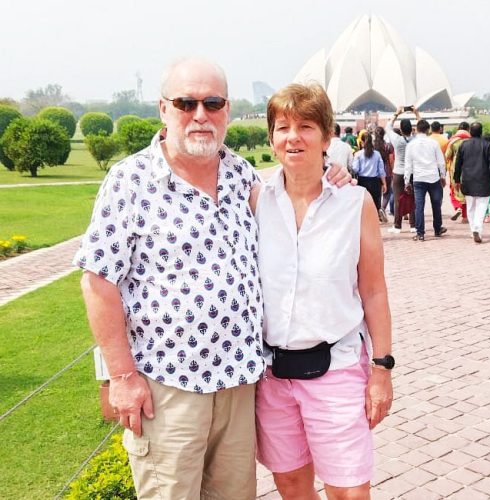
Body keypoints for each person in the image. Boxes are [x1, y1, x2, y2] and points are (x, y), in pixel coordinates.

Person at [74, 57, 351, 500]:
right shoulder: (130, 182)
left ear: (227, 109)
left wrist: (331, 171)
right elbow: (98, 281)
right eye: (186, 103)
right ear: (163, 109)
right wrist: (122, 376)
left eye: (213, 102)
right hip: (168, 387)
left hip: (239, 385)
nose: (200, 115)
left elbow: (294, 194)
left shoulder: (240, 174)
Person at [254, 82, 393, 499]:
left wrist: (382, 370)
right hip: (274, 376)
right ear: (272, 138)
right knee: (292, 485)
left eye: (306, 126)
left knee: (348, 490)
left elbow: (374, 291)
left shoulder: (354, 203)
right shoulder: (255, 200)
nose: (293, 136)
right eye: (283, 127)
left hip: (336, 370)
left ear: (327, 136)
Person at [453, 122, 490, 243]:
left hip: (468, 181)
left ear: (470, 131)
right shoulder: (487, 145)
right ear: (481, 132)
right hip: (483, 181)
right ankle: (477, 229)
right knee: (481, 207)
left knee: (470, 207)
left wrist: (456, 180)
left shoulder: (463, 145)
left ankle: (473, 230)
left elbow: (458, 164)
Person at [404, 119, 447, 241]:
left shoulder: (411, 145)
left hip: (418, 179)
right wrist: (443, 177)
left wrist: (407, 181)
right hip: (433, 178)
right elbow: (441, 162)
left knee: (419, 207)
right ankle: (437, 229)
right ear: (428, 130)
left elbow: (408, 165)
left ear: (416, 130)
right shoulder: (433, 143)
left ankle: (420, 233)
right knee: (436, 204)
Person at [386, 106, 418, 233]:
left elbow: (388, 127)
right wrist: (416, 113)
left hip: (398, 172)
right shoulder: (415, 139)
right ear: (412, 129)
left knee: (398, 199)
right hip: (412, 172)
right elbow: (423, 127)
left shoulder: (397, 140)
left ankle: (397, 225)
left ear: (400, 129)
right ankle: (413, 225)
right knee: (413, 199)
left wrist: (397, 113)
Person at [352, 132, 387, 219]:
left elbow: (355, 169)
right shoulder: (377, 154)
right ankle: (375, 220)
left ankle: (364, 220)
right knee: (375, 203)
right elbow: (381, 171)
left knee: (363, 203)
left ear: (362, 142)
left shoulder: (358, 154)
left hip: (362, 181)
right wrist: (384, 183)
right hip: (375, 182)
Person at [446, 122, 471, 223]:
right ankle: (465, 217)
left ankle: (458, 207)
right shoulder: (471, 140)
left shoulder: (453, 141)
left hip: (456, 168)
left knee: (455, 189)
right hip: (469, 168)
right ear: (468, 129)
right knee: (467, 192)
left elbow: (447, 155)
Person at [374, 126, 394, 222]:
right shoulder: (388, 146)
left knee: (377, 193)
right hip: (386, 170)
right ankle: (382, 208)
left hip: (375, 171)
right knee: (387, 192)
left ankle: (377, 211)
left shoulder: (372, 146)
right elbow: (390, 160)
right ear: (384, 134)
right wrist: (392, 170)